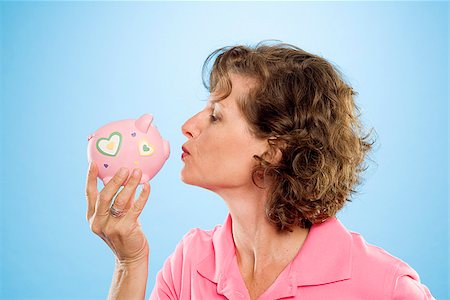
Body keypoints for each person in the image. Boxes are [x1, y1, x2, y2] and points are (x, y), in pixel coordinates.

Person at [85, 41, 434, 299]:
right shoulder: (190, 263)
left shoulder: (385, 288)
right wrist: (129, 263)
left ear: (275, 147)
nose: (188, 126)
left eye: (216, 115)